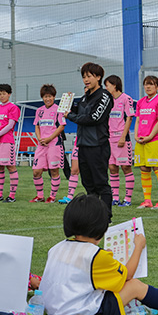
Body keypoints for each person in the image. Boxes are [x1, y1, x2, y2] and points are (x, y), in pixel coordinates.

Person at [64, 62, 113, 207]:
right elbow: (77, 111)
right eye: (84, 77)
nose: (86, 79)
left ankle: (106, 216)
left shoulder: (104, 96)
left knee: (101, 183)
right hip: (83, 145)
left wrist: (71, 116)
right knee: (88, 184)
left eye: (89, 76)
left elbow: (93, 118)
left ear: (98, 77)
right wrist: (67, 104)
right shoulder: (85, 97)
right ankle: (93, 215)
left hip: (98, 145)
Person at [134, 76, 158, 209]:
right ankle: (147, 200)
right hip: (141, 140)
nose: (148, 87)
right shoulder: (141, 102)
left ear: (157, 87)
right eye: (146, 84)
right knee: (144, 169)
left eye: (151, 84)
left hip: (155, 140)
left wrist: (149, 137)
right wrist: (137, 135)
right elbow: (137, 120)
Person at [29, 85, 66, 203]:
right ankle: (40, 196)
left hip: (54, 143)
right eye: (45, 97)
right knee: (36, 171)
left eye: (50, 96)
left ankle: (52, 197)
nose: (47, 99)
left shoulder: (59, 109)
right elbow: (37, 126)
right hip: (42, 144)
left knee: (54, 170)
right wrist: (39, 138)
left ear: (54, 97)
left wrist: (49, 138)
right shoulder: (39, 111)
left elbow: (61, 126)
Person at [104, 75, 135, 207]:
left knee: (126, 167)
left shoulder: (126, 99)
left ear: (115, 85)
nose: (106, 88)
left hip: (121, 138)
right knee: (112, 168)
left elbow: (129, 118)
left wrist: (123, 136)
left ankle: (127, 199)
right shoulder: (107, 100)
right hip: (109, 138)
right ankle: (115, 198)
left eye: (108, 85)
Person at [0, 84, 21, 203]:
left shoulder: (13, 108)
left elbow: (10, 125)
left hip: (6, 141)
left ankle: (12, 196)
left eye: (4, 93)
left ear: (9, 94)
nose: (1, 96)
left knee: (10, 167)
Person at [58, 137, 80, 205]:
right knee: (74, 171)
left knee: (92, 170)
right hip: (79, 142)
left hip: (94, 143)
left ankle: (95, 196)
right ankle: (70, 196)